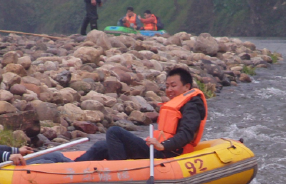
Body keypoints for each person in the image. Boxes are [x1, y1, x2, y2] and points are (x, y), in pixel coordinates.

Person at [76, 67, 206, 162]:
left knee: (114, 132)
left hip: (169, 154)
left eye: (173, 86)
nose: (169, 90)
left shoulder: (192, 105)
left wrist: (163, 145)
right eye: (167, 86)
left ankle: (119, 171)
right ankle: (69, 166)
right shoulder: (180, 103)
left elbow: (186, 134)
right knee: (102, 146)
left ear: (187, 87)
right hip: (159, 149)